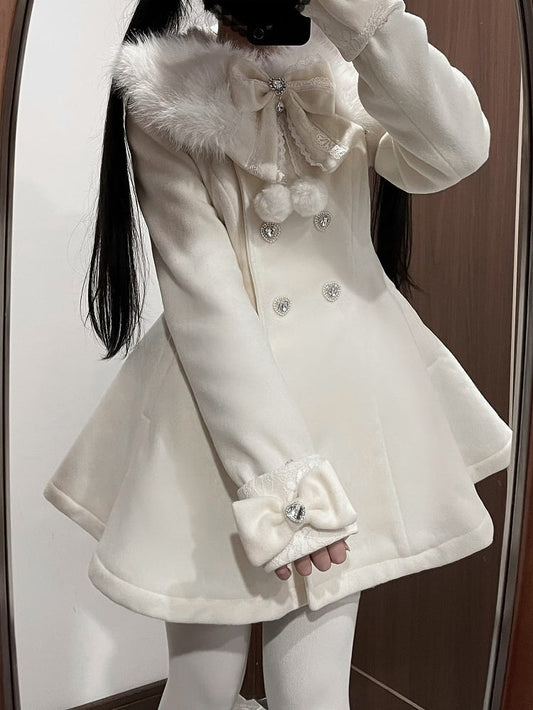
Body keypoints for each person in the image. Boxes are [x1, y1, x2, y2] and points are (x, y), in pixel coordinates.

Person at [42, 0, 513, 707]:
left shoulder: (345, 69)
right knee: (203, 685)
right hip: (219, 422)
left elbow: (455, 150)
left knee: (314, 689)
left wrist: (366, 22)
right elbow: (204, 296)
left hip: (347, 407)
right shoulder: (166, 96)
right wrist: (285, 486)